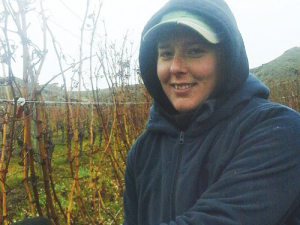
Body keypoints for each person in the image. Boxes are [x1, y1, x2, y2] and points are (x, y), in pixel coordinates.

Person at [123, 0, 300, 224]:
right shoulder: (143, 151)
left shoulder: (279, 131)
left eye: (194, 51)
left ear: (225, 59)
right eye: (166, 54)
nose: (175, 67)